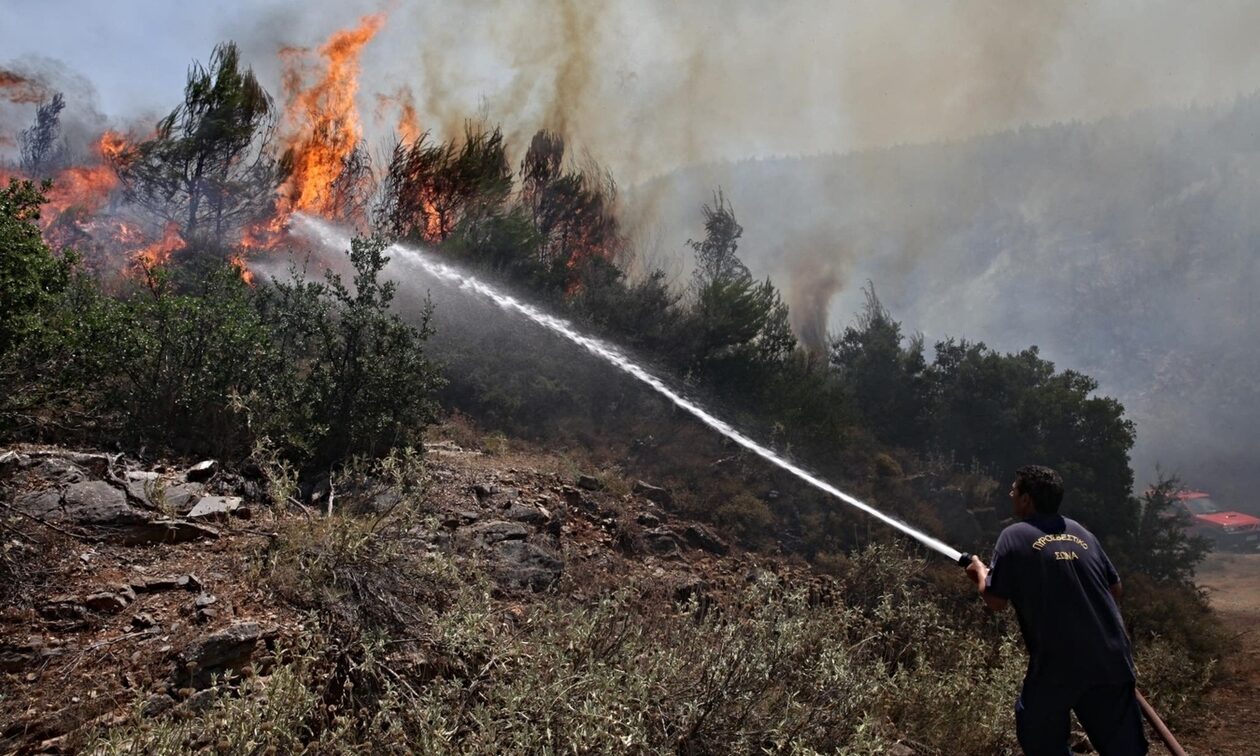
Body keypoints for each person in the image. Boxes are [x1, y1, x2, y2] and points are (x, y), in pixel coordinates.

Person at [966, 465, 1148, 756]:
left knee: (1039, 736)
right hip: (1112, 658)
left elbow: (996, 601)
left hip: (1058, 663)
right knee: (1125, 751)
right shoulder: (1081, 532)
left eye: (1014, 490)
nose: (1010, 494)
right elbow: (1115, 590)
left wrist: (978, 572)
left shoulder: (1014, 536)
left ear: (1027, 499)